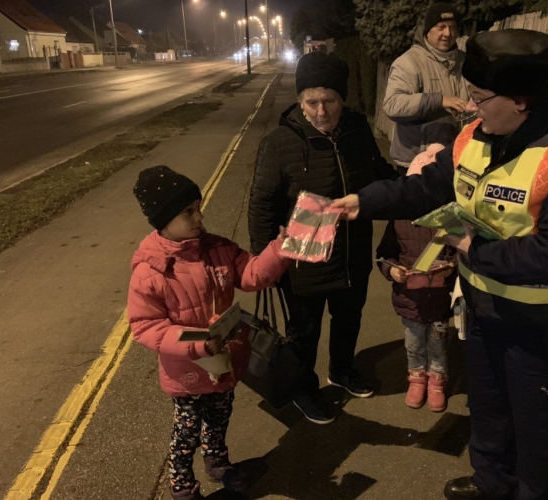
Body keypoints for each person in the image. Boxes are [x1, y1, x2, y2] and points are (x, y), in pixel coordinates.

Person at [333, 29, 548, 500]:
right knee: (489, 409)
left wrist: (473, 249)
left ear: (521, 101)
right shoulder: (476, 135)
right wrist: (362, 202)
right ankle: (491, 484)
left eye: (480, 97)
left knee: (539, 428)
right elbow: (430, 186)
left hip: (542, 327)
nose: (471, 107)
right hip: (483, 309)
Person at [247, 51, 398, 424]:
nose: (321, 110)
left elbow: (378, 173)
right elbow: (261, 205)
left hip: (352, 250)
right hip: (303, 259)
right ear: (300, 100)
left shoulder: (358, 131)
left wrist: (414, 182)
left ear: (342, 99)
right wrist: (264, 263)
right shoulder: (279, 143)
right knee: (304, 330)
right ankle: (304, 388)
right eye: (311, 101)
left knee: (349, 317)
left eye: (329, 100)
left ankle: (342, 370)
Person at [128, 166, 290, 500]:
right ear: (164, 220)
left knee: (220, 416)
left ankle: (217, 461)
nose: (199, 217)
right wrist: (199, 343)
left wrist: (280, 249)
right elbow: (146, 326)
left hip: (224, 363)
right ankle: (182, 486)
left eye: (198, 208)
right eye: (188, 212)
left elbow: (252, 274)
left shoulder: (217, 248)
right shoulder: (151, 271)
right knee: (186, 433)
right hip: (187, 371)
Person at [375, 144, 456, 412]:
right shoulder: (399, 219)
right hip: (410, 298)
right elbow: (384, 255)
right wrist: (392, 270)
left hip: (440, 298)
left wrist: (452, 266)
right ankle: (417, 378)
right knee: (413, 343)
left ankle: (437, 380)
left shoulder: (450, 219)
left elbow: (463, 252)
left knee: (438, 343)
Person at [383, 2, 471, 171]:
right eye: (441, 27)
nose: (448, 33)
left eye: (452, 27)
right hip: (417, 162)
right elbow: (392, 104)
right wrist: (439, 100)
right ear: (427, 30)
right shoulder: (409, 62)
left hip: (456, 157)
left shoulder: (466, 61)